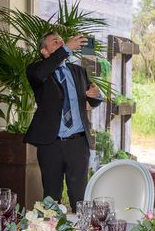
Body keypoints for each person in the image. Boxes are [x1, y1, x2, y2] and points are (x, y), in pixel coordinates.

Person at [24, 32, 103, 212]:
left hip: (78, 143)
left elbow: (93, 98)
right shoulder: (36, 70)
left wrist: (97, 95)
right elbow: (40, 74)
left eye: (62, 40)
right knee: (51, 198)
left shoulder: (78, 71)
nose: (61, 42)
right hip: (50, 144)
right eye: (55, 42)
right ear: (44, 52)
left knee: (80, 197)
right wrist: (66, 48)